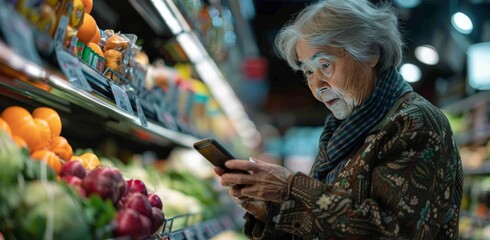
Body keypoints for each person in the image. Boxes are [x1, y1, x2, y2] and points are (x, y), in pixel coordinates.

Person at [214, 0, 463, 239]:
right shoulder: (341, 132)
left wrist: (290, 188)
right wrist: (269, 211)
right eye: (308, 72)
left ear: (370, 54)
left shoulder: (415, 122)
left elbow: (392, 232)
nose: (317, 85)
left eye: (325, 65)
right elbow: (325, 227)